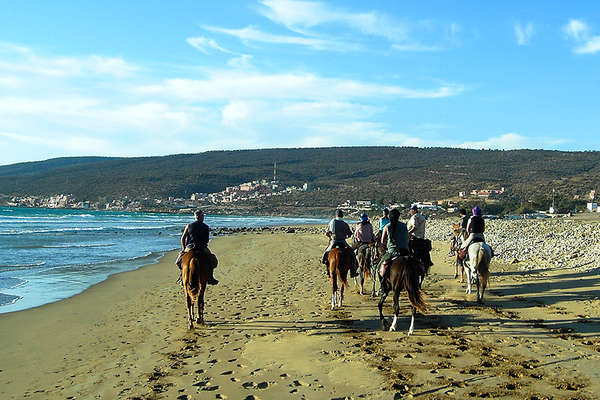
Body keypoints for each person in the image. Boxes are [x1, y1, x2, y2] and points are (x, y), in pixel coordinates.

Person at [176, 210, 218, 285]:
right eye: (203, 216)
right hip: (202, 247)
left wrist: (183, 249)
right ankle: (211, 277)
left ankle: (182, 277)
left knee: (178, 261)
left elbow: (183, 238)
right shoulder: (205, 227)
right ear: (201, 217)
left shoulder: (188, 226)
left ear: (195, 217)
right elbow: (206, 240)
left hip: (189, 247)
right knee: (212, 260)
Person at [321, 209, 359, 278]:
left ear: (336, 215)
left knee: (326, 252)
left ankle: (325, 264)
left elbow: (326, 233)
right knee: (352, 254)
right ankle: (353, 271)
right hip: (342, 241)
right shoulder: (345, 223)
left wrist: (330, 236)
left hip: (334, 241)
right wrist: (346, 236)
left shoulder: (332, 222)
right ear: (342, 215)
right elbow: (350, 234)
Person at [376, 208, 410, 278]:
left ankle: (383, 287)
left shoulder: (387, 227)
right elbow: (407, 238)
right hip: (405, 250)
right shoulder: (404, 225)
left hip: (392, 251)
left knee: (379, 267)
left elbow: (382, 241)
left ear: (390, 217)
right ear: (398, 216)